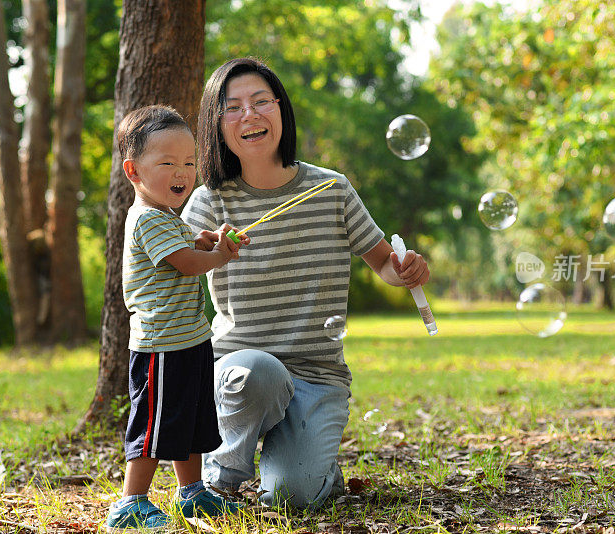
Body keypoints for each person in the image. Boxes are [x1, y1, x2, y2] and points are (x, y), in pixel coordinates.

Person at [180, 58, 431, 509]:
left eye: (261, 102)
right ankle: (220, 481)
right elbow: (180, 268)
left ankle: (315, 469)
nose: (250, 115)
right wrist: (204, 247)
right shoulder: (209, 200)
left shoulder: (330, 189)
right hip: (238, 370)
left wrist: (406, 270)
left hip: (317, 373)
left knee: (290, 500)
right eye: (233, 107)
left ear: (281, 110)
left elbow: (384, 265)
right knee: (258, 371)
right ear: (216, 125)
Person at [104, 104, 248, 532]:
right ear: (134, 171)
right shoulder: (147, 218)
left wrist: (209, 238)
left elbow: (189, 243)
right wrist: (218, 254)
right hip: (161, 347)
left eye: (188, 162)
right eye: (166, 162)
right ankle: (131, 503)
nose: (181, 171)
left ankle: (192, 493)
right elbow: (186, 262)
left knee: (191, 419)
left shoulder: (167, 216)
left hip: (189, 340)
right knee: (154, 426)